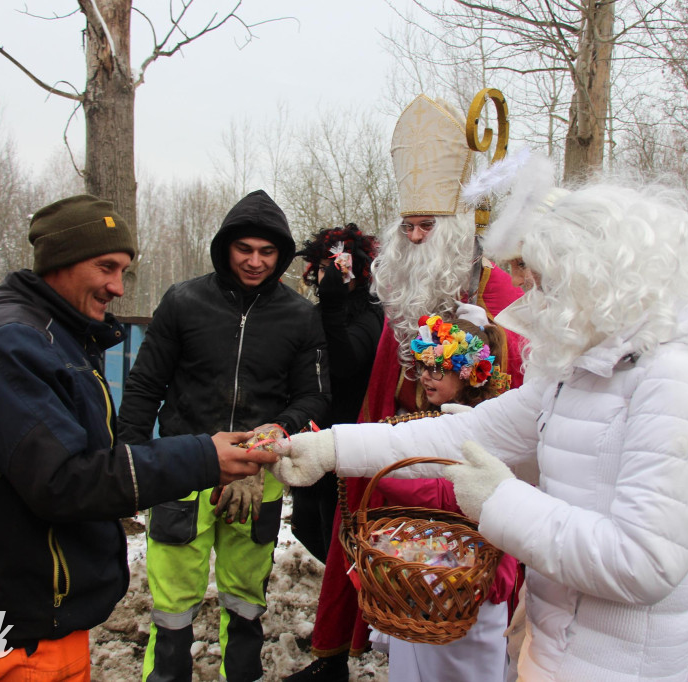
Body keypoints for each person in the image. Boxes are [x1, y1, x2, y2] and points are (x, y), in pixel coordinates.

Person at [268, 169, 688, 682]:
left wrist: (499, 501)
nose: (531, 299)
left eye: (544, 282)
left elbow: (645, 563)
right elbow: (463, 435)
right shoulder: (585, 366)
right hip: (555, 647)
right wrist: (332, 447)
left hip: (623, 665)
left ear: (598, 278)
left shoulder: (684, 379)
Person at [0, 194, 277, 681]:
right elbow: (64, 480)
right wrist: (202, 457)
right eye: (106, 267)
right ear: (62, 260)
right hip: (23, 618)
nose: (117, 287)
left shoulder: (58, 335)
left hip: (50, 608)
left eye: (124, 270)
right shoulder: (11, 345)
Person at [285, 93, 525, 682]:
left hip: (469, 508)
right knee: (409, 649)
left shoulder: (504, 305)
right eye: (409, 226)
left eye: (428, 226)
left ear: (456, 229)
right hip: (400, 495)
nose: (416, 238)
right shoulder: (403, 307)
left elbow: (515, 411)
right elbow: (378, 403)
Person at [116, 189, 331, 682]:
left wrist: (275, 433)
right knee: (172, 603)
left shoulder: (300, 316)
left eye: (267, 252)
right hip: (181, 470)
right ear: (225, 247)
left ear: (280, 255)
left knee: (245, 597)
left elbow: (315, 397)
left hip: (259, 474)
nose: (255, 261)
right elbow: (146, 383)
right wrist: (127, 463)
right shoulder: (183, 301)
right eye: (244, 249)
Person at [371, 310, 518, 682]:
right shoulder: (429, 421)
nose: (425, 376)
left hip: (473, 583)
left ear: (468, 373)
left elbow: (453, 492)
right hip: (425, 578)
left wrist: (387, 474)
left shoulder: (491, 427)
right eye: (423, 366)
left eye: (439, 368)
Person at [291, 223, 383, 563]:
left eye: (339, 267)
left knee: (337, 537)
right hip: (312, 438)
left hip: (346, 449)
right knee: (305, 526)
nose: (331, 275)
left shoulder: (370, 315)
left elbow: (345, 365)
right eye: (325, 267)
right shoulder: (314, 313)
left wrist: (332, 305)